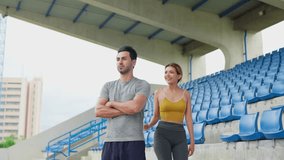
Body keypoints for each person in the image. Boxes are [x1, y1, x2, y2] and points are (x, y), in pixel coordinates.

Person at [95, 46, 151, 160]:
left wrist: (112, 103)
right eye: (118, 59)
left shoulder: (142, 84)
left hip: (133, 142)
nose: (120, 62)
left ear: (133, 62)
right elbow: (98, 111)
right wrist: (126, 109)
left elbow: (135, 107)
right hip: (110, 142)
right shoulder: (108, 86)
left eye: (124, 59)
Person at [144, 63, 195, 160]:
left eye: (171, 72)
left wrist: (192, 141)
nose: (167, 74)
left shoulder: (186, 94)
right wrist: (149, 125)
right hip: (162, 134)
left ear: (179, 76)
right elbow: (156, 116)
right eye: (166, 72)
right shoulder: (158, 93)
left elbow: (188, 119)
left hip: (179, 135)